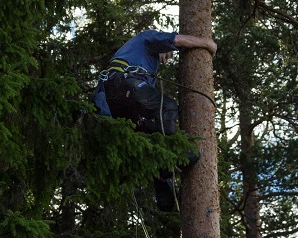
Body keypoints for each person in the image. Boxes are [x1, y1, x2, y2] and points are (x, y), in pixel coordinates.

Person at [93, 29, 217, 210]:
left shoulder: (138, 58)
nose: (166, 57)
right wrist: (207, 44)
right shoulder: (146, 38)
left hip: (115, 96)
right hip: (124, 83)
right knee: (165, 106)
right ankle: (175, 153)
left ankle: (162, 186)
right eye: (167, 52)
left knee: (150, 130)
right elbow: (178, 40)